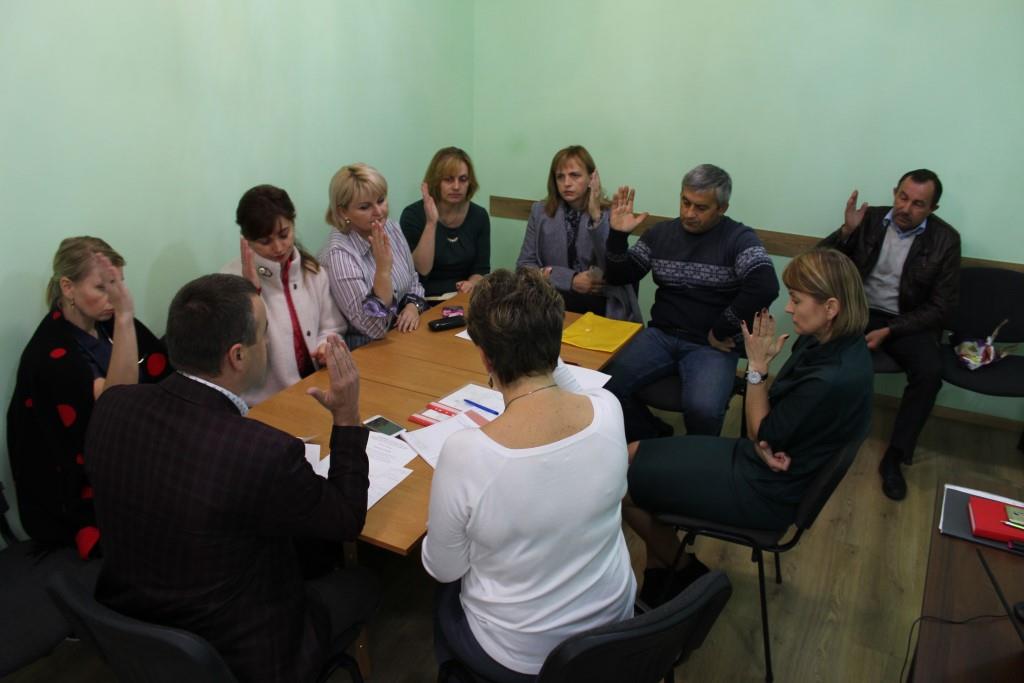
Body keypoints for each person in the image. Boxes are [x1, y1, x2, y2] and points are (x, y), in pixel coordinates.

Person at [84, 274, 378, 683]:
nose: (270, 342)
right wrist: (346, 418)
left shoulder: (113, 406)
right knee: (361, 582)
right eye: (264, 333)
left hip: (134, 626)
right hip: (242, 654)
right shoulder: (262, 452)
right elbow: (346, 519)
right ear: (238, 356)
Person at [421, 268, 636, 682]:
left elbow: (444, 568)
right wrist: (543, 350)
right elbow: (575, 392)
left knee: (445, 594)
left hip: (522, 657)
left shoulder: (466, 453)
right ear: (556, 342)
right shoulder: (608, 409)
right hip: (614, 627)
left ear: (485, 357)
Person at [624, 248, 873, 605]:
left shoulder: (831, 378)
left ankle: (683, 572)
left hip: (766, 489)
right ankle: (668, 574)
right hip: (761, 458)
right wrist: (763, 439)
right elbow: (769, 427)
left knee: (620, 486)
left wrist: (756, 368)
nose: (789, 309)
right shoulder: (829, 343)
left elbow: (762, 429)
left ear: (831, 307)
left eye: (797, 300)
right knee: (632, 454)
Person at [7, 237, 171, 559]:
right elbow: (117, 405)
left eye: (118, 284)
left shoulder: (105, 323)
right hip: (83, 488)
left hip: (134, 450)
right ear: (68, 288)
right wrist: (124, 318)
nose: (116, 297)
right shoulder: (51, 356)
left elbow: (165, 376)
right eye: (102, 287)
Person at [603, 164, 779, 440]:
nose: (688, 213)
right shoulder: (660, 234)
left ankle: (693, 459)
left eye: (700, 207)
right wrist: (617, 235)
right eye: (685, 202)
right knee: (605, 387)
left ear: (722, 208)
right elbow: (620, 275)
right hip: (661, 334)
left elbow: (765, 285)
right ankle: (654, 436)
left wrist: (720, 329)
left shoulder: (738, 238)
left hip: (711, 344)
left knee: (703, 410)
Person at [820, 169, 960, 501]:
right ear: (895, 192)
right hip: (858, 311)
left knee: (930, 372)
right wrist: (846, 232)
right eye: (902, 197)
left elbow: (942, 307)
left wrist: (890, 329)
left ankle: (895, 456)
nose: (905, 208)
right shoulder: (869, 220)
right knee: (810, 346)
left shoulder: (946, 239)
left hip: (906, 320)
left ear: (932, 209)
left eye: (918, 204)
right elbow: (819, 261)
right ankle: (809, 434)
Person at [223, 184, 347, 405]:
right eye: (265, 241)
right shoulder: (230, 283)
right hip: (266, 402)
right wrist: (252, 293)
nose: (278, 248)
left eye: (284, 234)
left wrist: (324, 346)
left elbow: (332, 327)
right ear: (246, 240)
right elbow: (241, 358)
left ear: (293, 224)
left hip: (315, 385)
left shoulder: (312, 271)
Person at [515, 145, 642, 321]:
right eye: (560, 177)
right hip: (551, 301)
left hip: (599, 304)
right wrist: (571, 280)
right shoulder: (540, 212)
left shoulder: (609, 214)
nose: (566, 183)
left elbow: (612, 271)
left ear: (592, 178)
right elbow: (524, 267)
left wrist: (596, 217)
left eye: (574, 175)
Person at [319, 163, 428, 349]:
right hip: (366, 349)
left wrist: (413, 306)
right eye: (365, 207)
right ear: (343, 211)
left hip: (402, 337)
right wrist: (383, 271)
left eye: (381, 200)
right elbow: (374, 328)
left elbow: (414, 281)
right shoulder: (339, 255)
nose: (379, 212)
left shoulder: (391, 228)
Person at [400, 147, 491, 298]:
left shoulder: (479, 216)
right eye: (448, 179)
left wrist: (471, 284)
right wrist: (431, 223)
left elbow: (481, 270)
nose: (456, 186)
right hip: (424, 298)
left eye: (463, 179)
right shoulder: (412, 215)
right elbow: (421, 270)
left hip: (463, 296)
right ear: (436, 182)